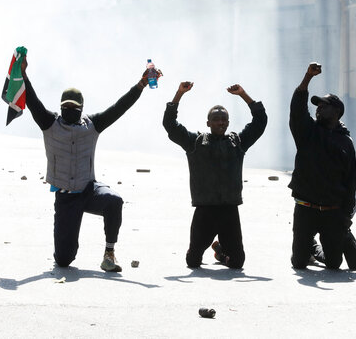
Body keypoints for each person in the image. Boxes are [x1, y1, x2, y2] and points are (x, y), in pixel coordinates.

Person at [20, 53, 160, 272]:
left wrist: (141, 85)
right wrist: (22, 73)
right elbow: (32, 101)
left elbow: (119, 107)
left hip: (88, 190)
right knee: (64, 260)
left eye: (74, 108)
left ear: (82, 108)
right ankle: (67, 241)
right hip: (66, 198)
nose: (70, 111)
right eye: (66, 107)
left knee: (114, 201)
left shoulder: (93, 125)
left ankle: (109, 254)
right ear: (61, 107)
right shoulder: (49, 124)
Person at [162, 81, 267, 269]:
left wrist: (243, 94)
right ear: (208, 123)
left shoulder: (237, 142)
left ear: (228, 123)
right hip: (205, 210)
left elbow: (260, 122)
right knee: (193, 262)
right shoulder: (195, 142)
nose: (220, 123)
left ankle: (221, 252)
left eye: (224, 120)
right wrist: (179, 94)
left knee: (238, 263)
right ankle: (212, 247)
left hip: (229, 210)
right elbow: (170, 125)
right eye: (216, 119)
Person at [289, 62, 356, 271]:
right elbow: (297, 108)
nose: (319, 108)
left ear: (337, 112)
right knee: (299, 263)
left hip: (333, 211)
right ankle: (310, 246)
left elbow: (351, 182)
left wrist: (346, 217)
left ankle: (337, 239)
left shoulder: (346, 143)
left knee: (335, 263)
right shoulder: (307, 132)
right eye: (318, 105)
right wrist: (308, 77)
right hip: (306, 208)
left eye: (324, 105)